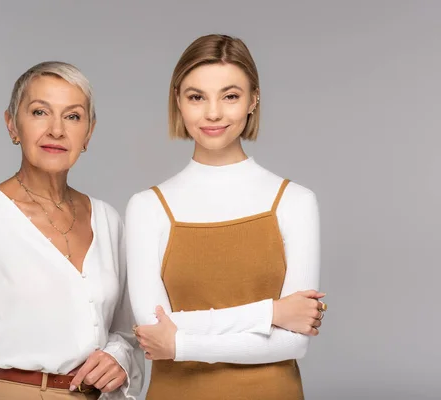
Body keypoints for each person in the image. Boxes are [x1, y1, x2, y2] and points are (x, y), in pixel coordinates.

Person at [0, 61, 144, 400]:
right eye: (40, 112)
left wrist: (119, 359)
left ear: (89, 132)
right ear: (12, 124)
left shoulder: (108, 221)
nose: (56, 130)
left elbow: (126, 333)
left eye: (73, 116)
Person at [125, 34, 327, 400]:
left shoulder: (295, 202)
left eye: (230, 96)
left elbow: (293, 344)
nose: (213, 112)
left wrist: (181, 345)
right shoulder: (147, 207)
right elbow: (151, 332)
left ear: (254, 99)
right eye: (196, 96)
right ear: (178, 101)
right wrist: (272, 312)